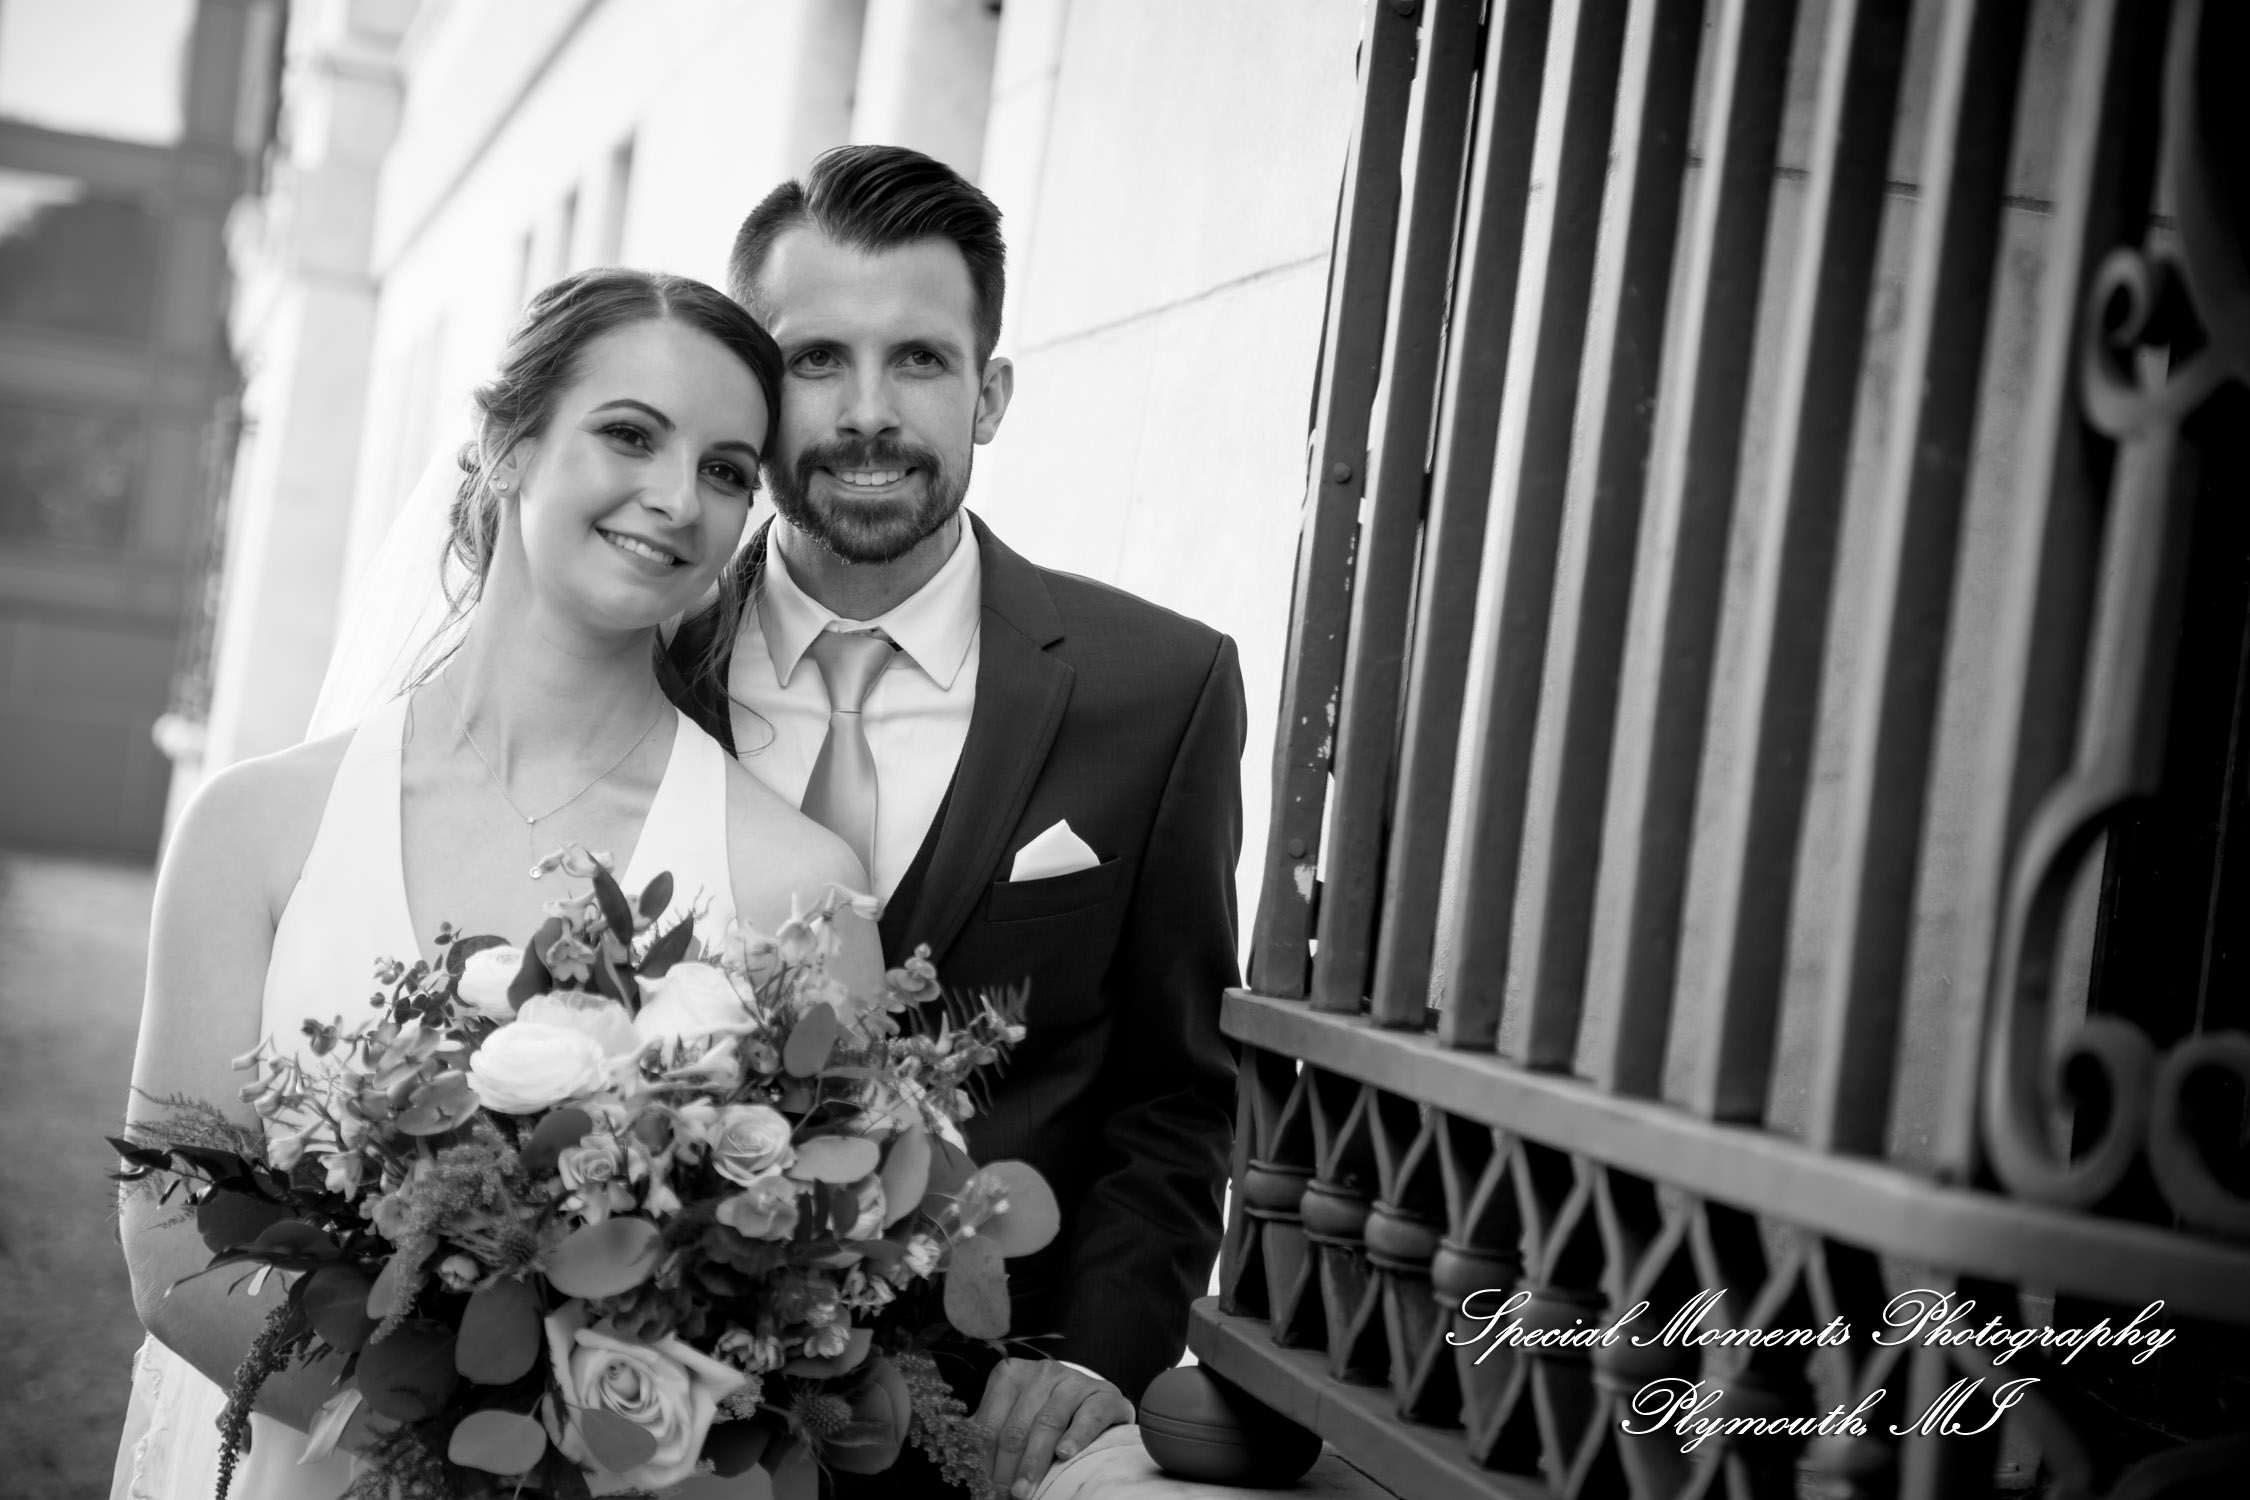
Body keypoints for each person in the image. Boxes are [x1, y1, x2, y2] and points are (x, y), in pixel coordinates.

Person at [113, 269, 880, 1500]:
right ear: (507, 446)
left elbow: (822, 1300)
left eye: (730, 470)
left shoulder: (803, 884)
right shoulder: (254, 828)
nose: (679, 498)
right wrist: (455, 1461)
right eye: (630, 434)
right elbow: (169, 1248)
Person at [670, 145, 1246, 1499]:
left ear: (986, 393)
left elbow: (1174, 1091)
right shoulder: (638, 662)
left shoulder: (1156, 689)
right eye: (815, 360)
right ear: (753, 388)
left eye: (919, 360)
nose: (868, 412)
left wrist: (1103, 1361)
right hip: (650, 1398)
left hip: (985, 1432)